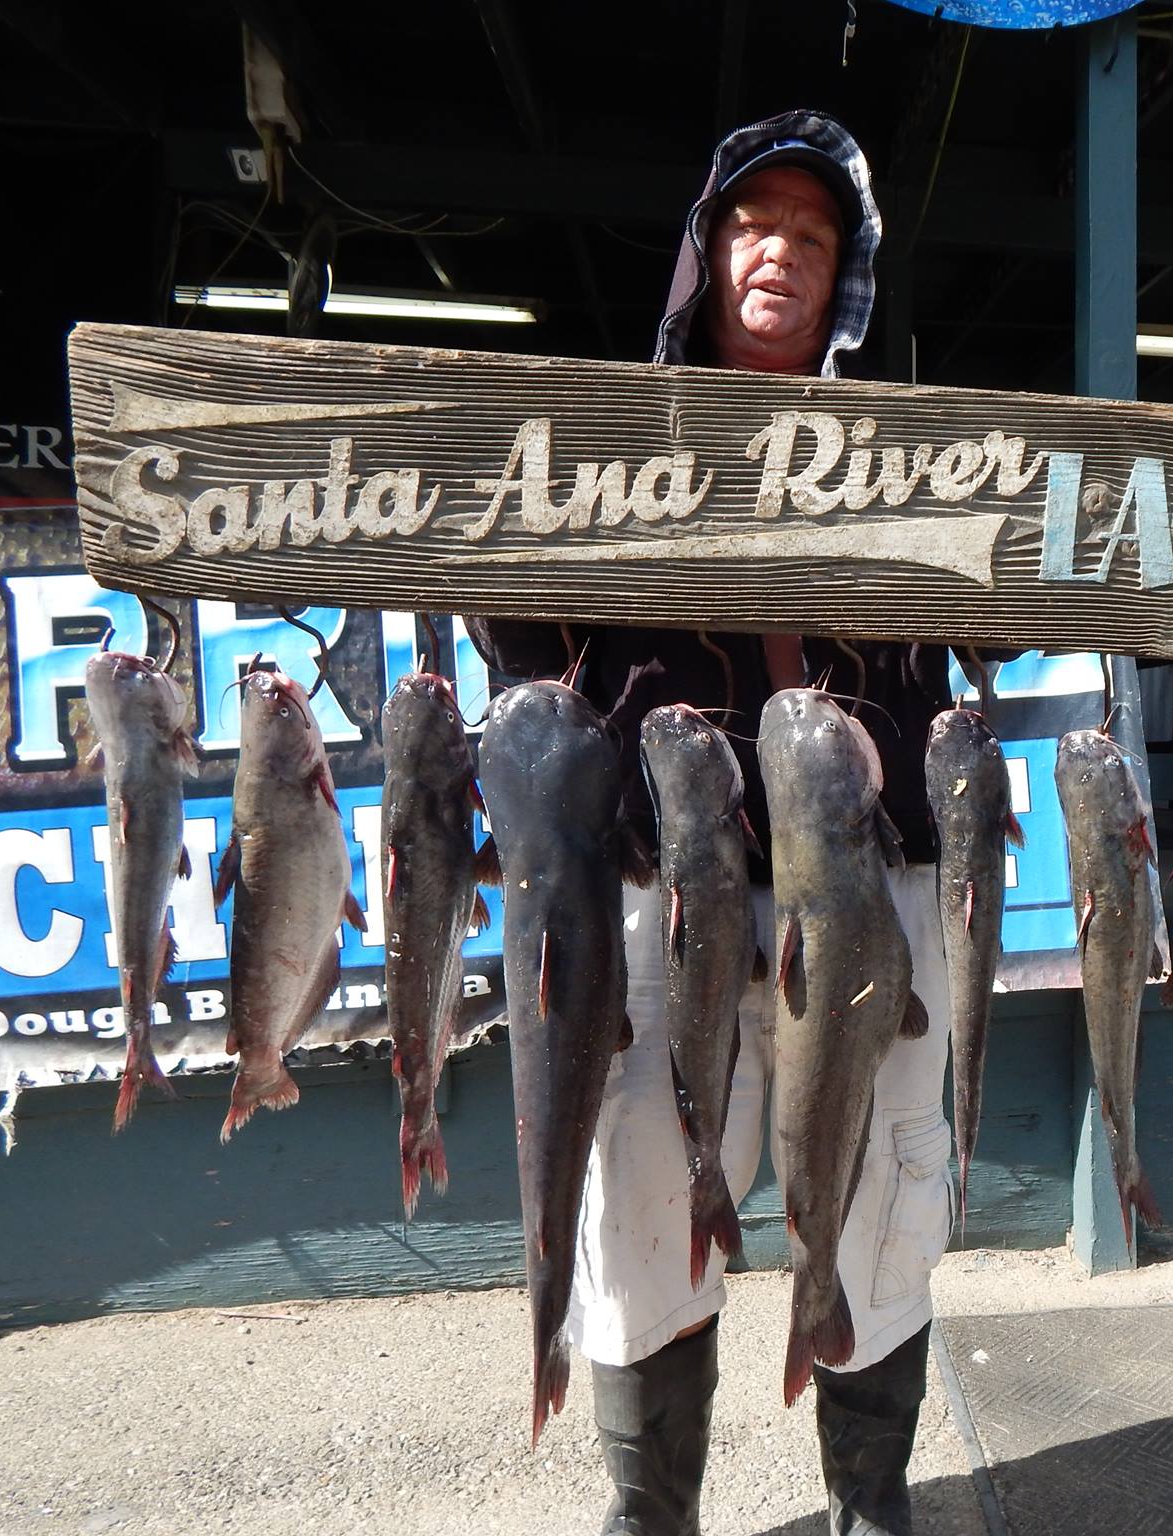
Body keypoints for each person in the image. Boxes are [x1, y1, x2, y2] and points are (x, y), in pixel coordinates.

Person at [467, 111, 957, 1536]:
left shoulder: (920, 459)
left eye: (814, 239)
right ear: (708, 250)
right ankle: (650, 1515)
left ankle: (872, 1503)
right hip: (659, 892)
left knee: (878, 1208)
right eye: (758, 228)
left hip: (860, 891)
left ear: (840, 280)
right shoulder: (608, 448)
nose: (782, 256)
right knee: (639, 1205)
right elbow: (514, 631)